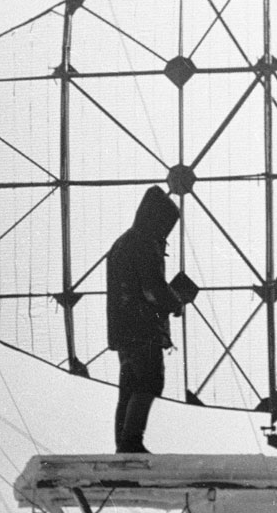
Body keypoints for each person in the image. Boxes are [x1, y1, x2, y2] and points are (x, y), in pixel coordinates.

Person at [107, 185, 186, 453]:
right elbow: (152, 288)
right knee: (151, 381)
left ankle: (124, 444)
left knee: (129, 386)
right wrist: (174, 302)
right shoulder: (144, 243)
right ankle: (131, 443)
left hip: (123, 328)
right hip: (142, 327)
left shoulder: (123, 241)